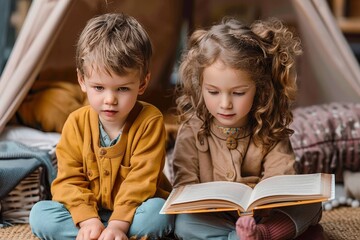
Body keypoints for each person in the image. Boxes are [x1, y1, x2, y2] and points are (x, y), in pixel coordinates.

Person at [172, 17, 323, 240]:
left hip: (263, 216)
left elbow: (280, 177)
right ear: (200, 85)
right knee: (183, 223)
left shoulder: (270, 128)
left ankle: (262, 234)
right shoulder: (191, 130)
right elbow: (184, 183)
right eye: (213, 92)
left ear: (259, 89)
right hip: (214, 217)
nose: (225, 104)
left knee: (311, 207)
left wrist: (260, 209)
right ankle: (244, 237)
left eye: (238, 93)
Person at [29, 13, 174, 240]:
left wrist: (117, 224)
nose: (110, 100)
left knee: (159, 214)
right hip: (89, 213)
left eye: (122, 89)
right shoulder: (76, 123)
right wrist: (88, 219)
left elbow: (141, 181)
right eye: (99, 87)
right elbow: (68, 180)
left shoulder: (150, 121)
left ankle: (112, 235)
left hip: (135, 212)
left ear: (143, 83)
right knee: (40, 215)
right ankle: (97, 234)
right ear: (82, 81)